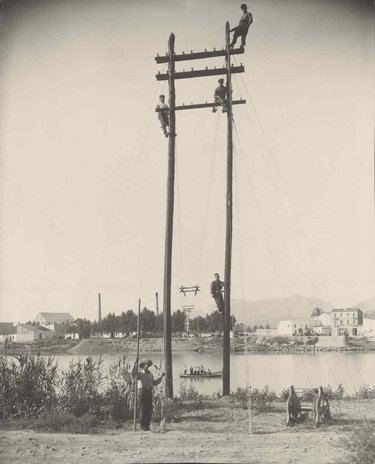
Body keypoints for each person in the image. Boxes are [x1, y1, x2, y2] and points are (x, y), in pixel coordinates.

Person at [132, 358, 165, 431]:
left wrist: (161, 377)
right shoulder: (140, 374)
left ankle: (147, 425)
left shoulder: (150, 374)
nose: (147, 366)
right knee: (143, 409)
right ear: (143, 365)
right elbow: (133, 373)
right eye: (146, 364)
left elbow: (155, 383)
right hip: (142, 392)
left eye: (148, 365)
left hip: (149, 392)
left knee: (148, 409)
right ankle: (142, 426)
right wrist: (135, 363)